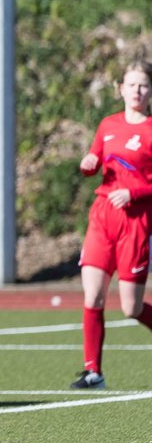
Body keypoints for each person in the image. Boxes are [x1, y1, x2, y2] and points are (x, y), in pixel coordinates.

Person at [73, 59, 152, 389]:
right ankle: (94, 372)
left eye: (143, 85)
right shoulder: (107, 125)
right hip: (103, 217)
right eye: (131, 84)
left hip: (135, 222)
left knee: (131, 308)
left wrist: (133, 191)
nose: (137, 90)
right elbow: (94, 163)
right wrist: (87, 165)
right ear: (120, 89)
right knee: (93, 297)